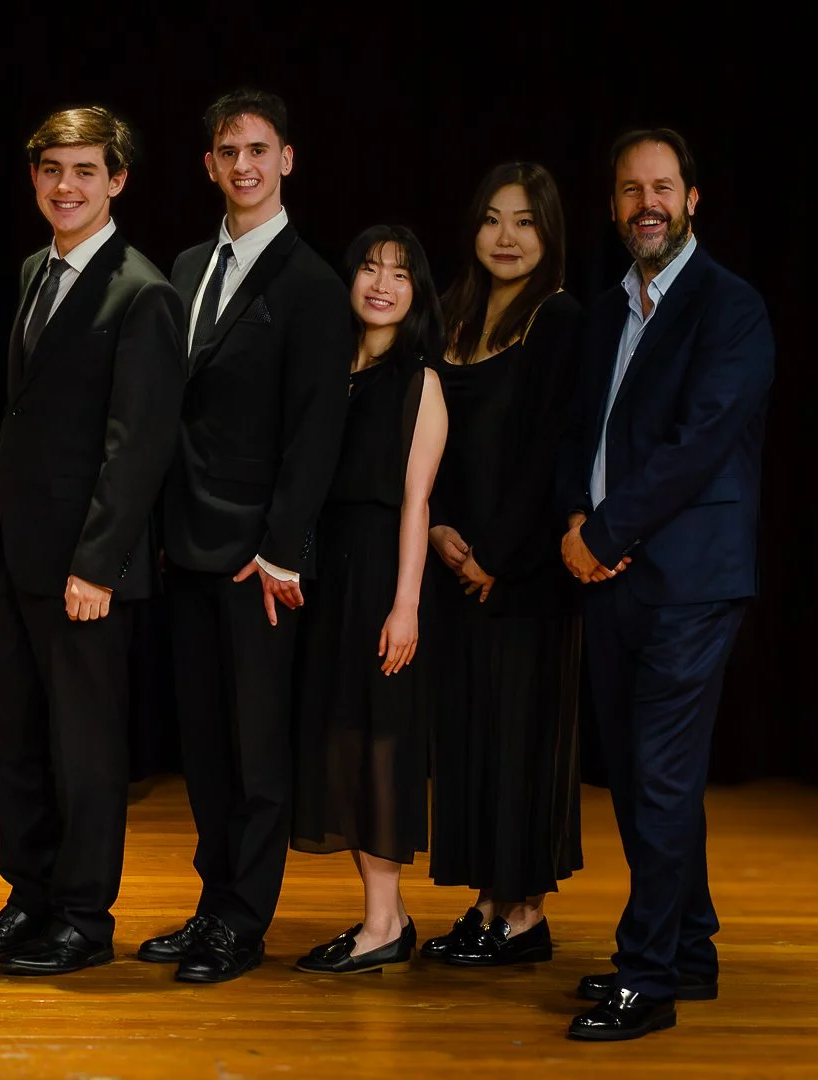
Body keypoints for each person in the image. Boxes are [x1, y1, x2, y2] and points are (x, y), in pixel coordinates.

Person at [0, 106, 185, 976]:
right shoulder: (32, 272)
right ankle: (29, 899)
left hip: (85, 567)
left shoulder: (143, 292)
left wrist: (98, 563)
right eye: (52, 170)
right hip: (14, 553)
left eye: (85, 170)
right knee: (15, 740)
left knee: (84, 752)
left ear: (117, 180)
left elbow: (138, 445)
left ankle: (83, 918)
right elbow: (17, 420)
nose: (66, 185)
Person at [559, 129, 774, 1042]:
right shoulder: (610, 308)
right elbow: (584, 432)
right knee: (645, 778)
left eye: (661, 187)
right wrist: (577, 521)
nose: (645, 203)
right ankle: (688, 949)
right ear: (613, 205)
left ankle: (645, 981)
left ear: (692, 199)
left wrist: (604, 535)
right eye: (629, 189)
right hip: (610, 574)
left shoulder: (732, 307)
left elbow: (699, 443)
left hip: (688, 579)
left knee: (659, 777)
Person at [142, 89, 351, 984]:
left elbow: (316, 434)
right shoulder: (188, 265)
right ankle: (212, 902)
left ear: (286, 160)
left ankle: (243, 921)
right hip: (187, 546)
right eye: (228, 151)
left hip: (259, 560)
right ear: (209, 165)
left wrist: (280, 549)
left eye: (259, 150)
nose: (244, 166)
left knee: (258, 753)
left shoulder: (313, 284)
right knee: (205, 748)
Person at [421, 163, 584, 967]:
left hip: (524, 576)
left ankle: (523, 914)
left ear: (549, 233)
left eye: (525, 221)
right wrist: (437, 526)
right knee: (473, 738)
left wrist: (495, 555)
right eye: (492, 219)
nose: (507, 237)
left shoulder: (558, 318)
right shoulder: (451, 313)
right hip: (454, 564)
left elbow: (552, 449)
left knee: (521, 739)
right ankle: (487, 902)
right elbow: (427, 438)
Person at [291, 226, 446, 975]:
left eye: (400, 274)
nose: (382, 285)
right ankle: (388, 916)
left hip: (382, 574)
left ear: (418, 293)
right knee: (341, 743)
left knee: (380, 740)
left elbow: (418, 502)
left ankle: (382, 923)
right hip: (328, 574)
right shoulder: (331, 369)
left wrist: (406, 603)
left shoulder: (421, 381)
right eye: (370, 269)